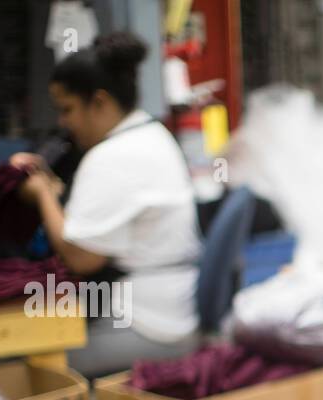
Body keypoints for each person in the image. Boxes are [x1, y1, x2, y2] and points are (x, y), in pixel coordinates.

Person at [11, 31, 202, 377]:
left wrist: (42, 195)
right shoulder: (153, 135)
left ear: (99, 102)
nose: (63, 123)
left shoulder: (112, 156)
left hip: (146, 324)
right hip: (174, 308)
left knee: (21, 359)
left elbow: (82, 257)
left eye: (67, 109)